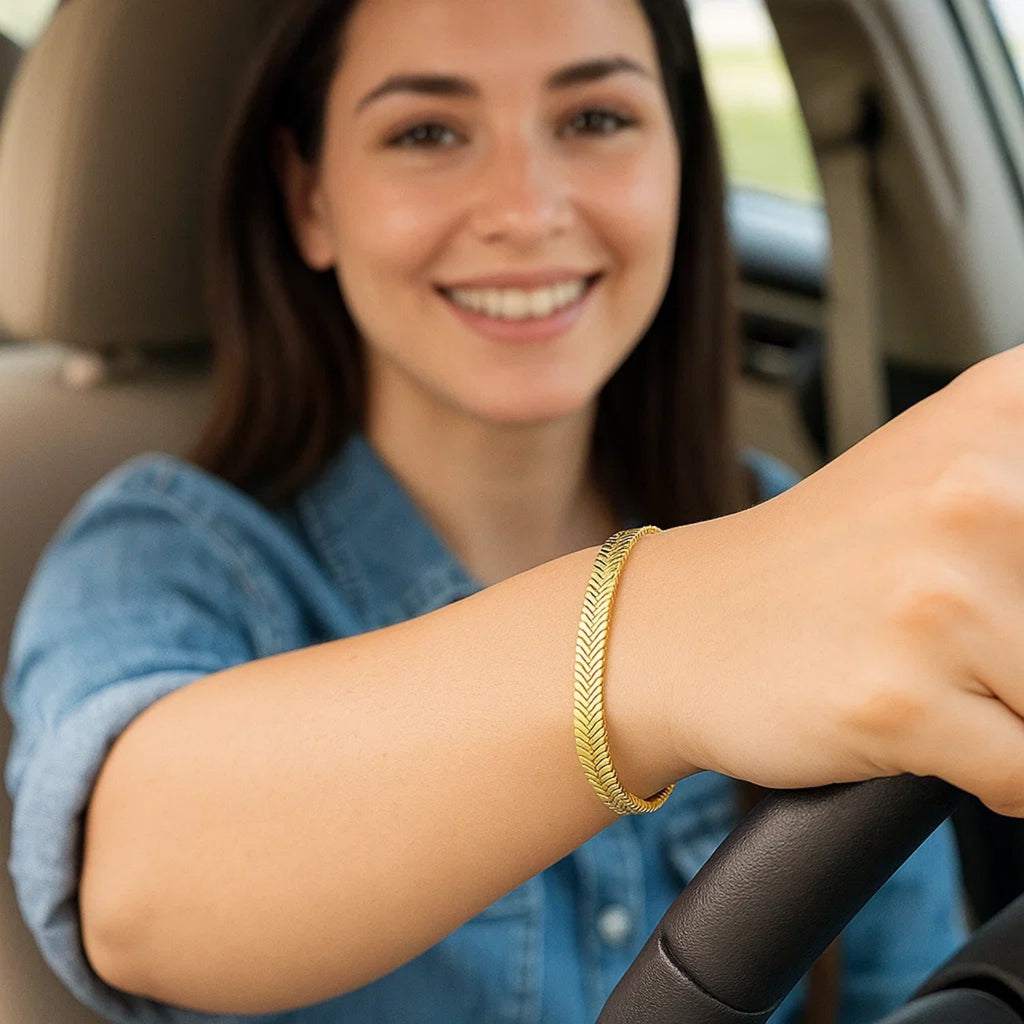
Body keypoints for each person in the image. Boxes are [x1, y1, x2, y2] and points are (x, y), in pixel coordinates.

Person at [10, 0, 1016, 1019]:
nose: (526, 208)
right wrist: (661, 636)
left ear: (678, 159)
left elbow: (905, 987)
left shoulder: (774, 520)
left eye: (594, 120)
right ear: (309, 197)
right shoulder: (168, 551)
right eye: (427, 133)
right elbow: (137, 887)